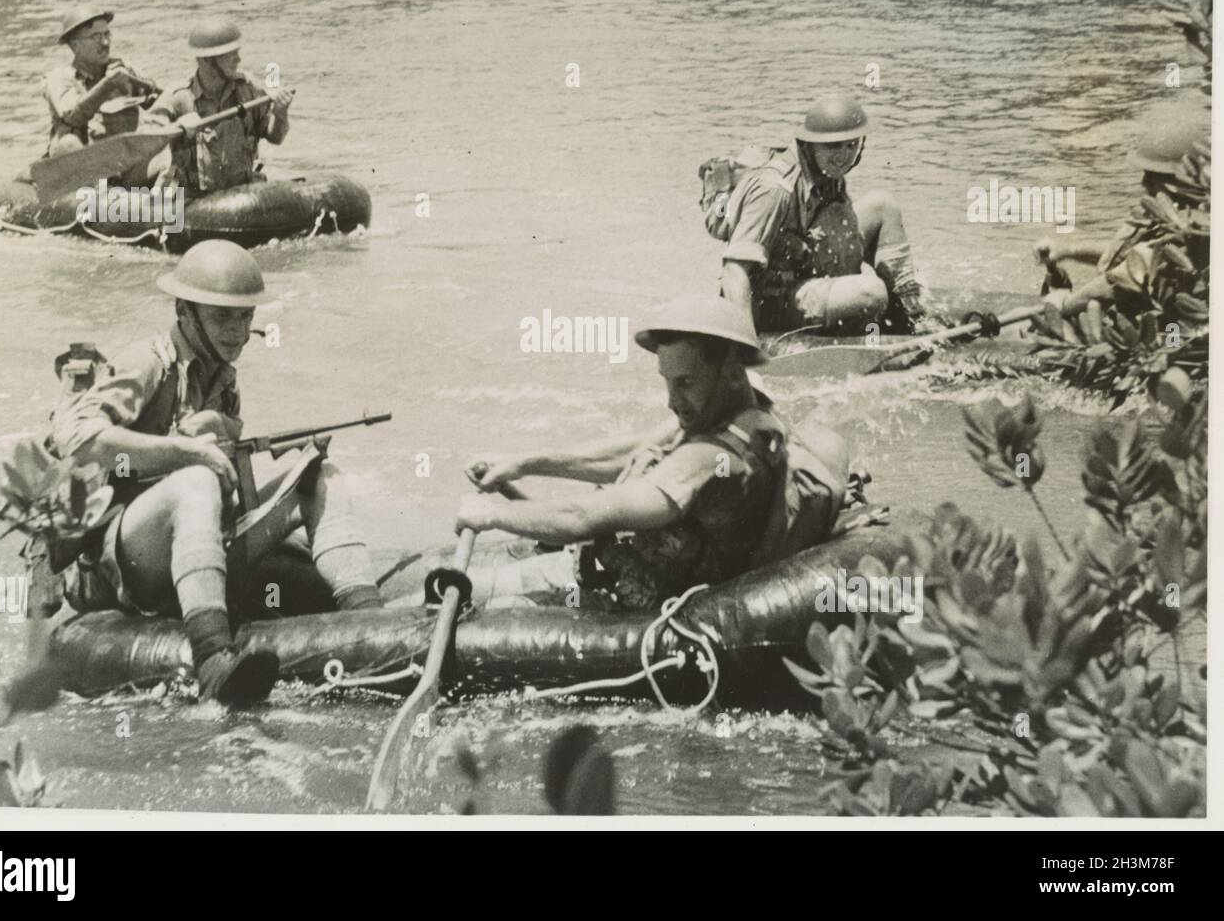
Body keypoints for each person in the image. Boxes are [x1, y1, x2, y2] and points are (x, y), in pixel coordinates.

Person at [48, 240, 382, 706]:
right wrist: (184, 451)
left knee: (320, 473)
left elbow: (229, 492)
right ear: (186, 313)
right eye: (223, 317)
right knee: (197, 480)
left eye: (245, 317)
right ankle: (212, 662)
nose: (238, 331)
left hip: (195, 540)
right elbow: (77, 437)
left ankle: (374, 624)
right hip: (122, 560)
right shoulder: (149, 363)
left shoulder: (222, 378)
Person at [440, 295, 839, 612]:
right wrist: (524, 463)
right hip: (613, 563)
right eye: (667, 382)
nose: (672, 401)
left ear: (733, 372)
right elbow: (634, 450)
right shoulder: (745, 417)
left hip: (611, 588)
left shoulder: (710, 459)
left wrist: (491, 515)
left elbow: (583, 517)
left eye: (684, 383)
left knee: (435, 595)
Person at [719, 95, 938, 338]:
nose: (844, 156)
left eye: (851, 145)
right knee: (871, 292)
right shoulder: (774, 189)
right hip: (769, 303)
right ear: (810, 145)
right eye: (833, 146)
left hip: (802, 269)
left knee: (882, 205)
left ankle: (914, 317)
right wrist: (742, 349)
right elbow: (734, 270)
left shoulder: (827, 174)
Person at [1034, 104, 1209, 317]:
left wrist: (1064, 304)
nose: (1144, 183)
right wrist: (1069, 251)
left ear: (1178, 181)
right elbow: (1126, 255)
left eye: (1153, 175)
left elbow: (1112, 283)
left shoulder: (1182, 239)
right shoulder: (1195, 219)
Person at [145, 19, 295, 195]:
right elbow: (144, 141)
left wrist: (281, 113)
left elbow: (276, 137)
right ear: (208, 61)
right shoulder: (179, 97)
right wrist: (177, 127)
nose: (239, 60)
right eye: (231, 55)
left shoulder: (247, 89)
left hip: (243, 196)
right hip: (196, 202)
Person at [43, 6, 157, 157]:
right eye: (95, 37)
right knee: (69, 143)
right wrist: (108, 85)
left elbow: (155, 102)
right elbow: (74, 116)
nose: (105, 43)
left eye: (107, 34)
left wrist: (148, 91)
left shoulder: (122, 69)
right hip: (81, 168)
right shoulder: (58, 78)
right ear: (75, 46)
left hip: (123, 160)